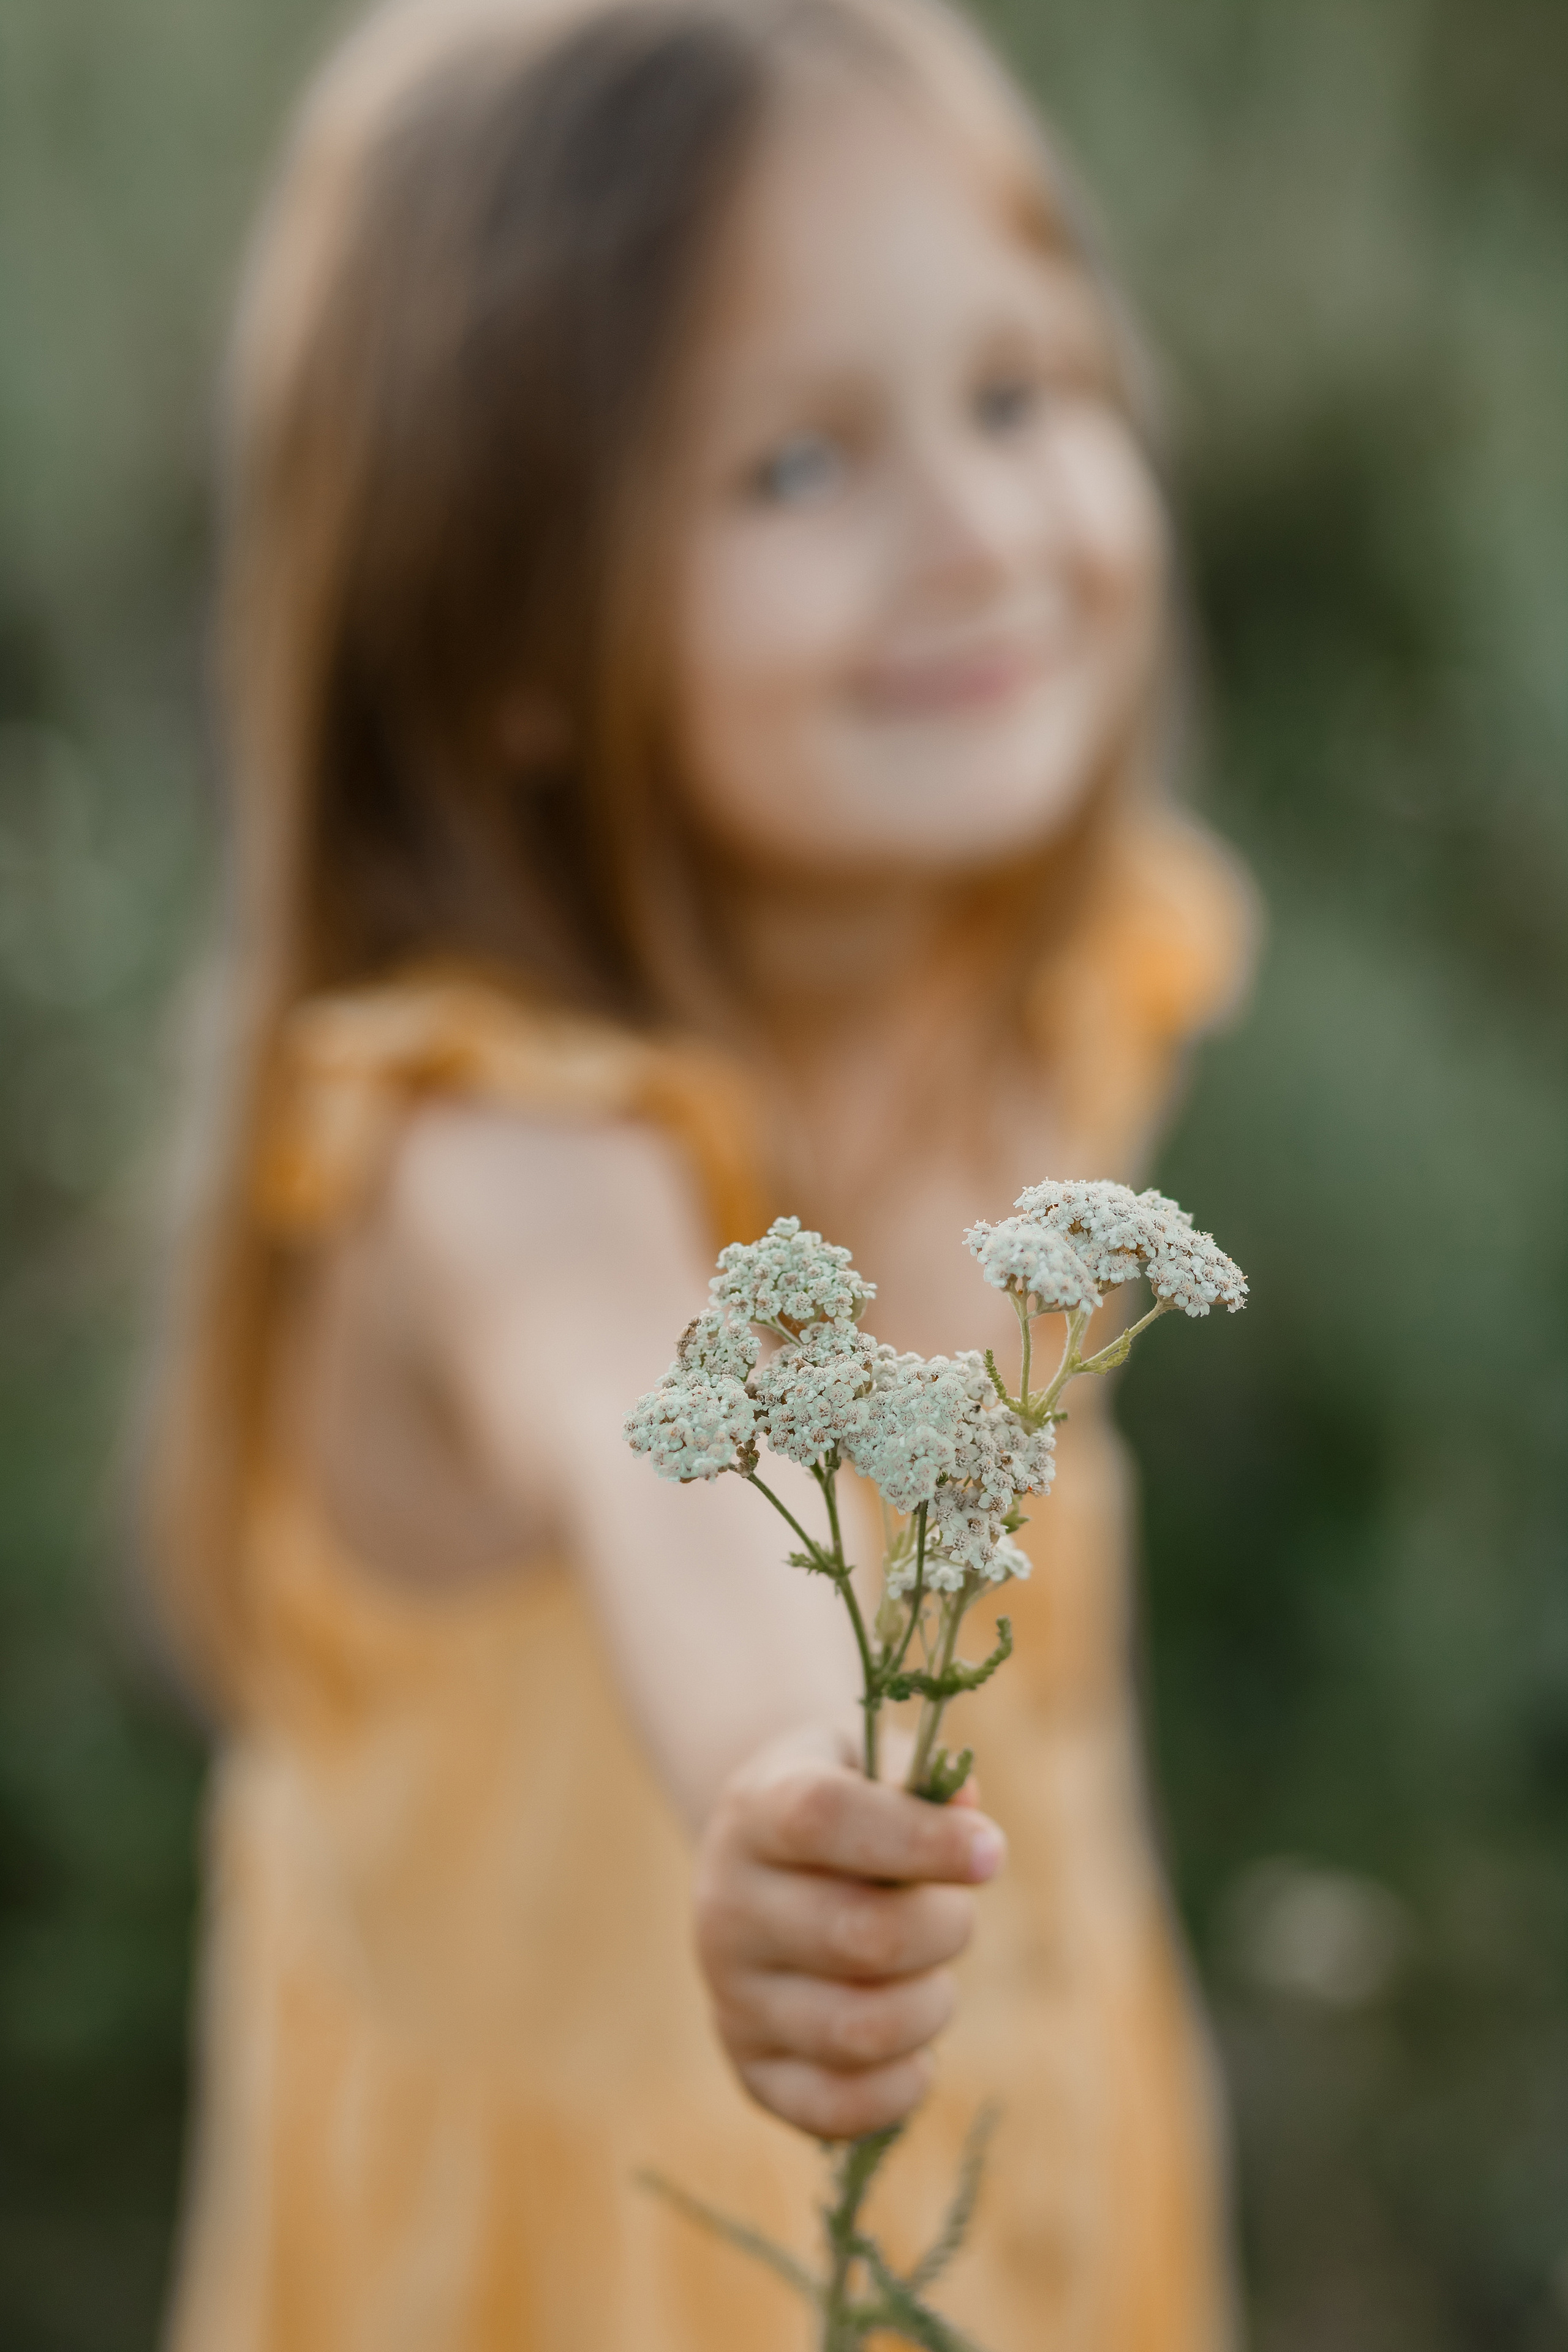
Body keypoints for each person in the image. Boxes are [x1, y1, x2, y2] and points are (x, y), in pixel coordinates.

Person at [149, 0, 1254, 2342]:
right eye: (796, 470)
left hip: (1028, 2176)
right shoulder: (486, 1145)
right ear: (509, 639)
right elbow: (646, 1410)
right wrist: (791, 1780)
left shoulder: (1037, 1025)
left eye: (1021, 394)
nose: (980, 534)